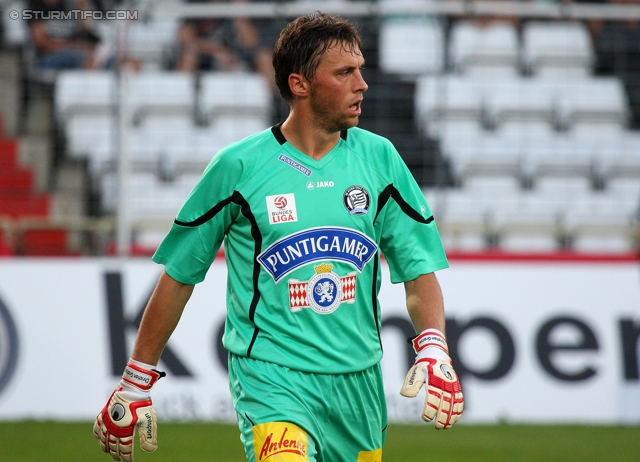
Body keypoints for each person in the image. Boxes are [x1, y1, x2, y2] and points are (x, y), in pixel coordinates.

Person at [93, 12, 464, 462]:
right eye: (345, 73)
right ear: (300, 84)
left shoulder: (381, 158)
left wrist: (433, 344)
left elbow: (417, 265)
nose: (362, 84)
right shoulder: (238, 167)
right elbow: (180, 275)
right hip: (272, 376)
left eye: (360, 70)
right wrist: (136, 377)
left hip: (359, 383)